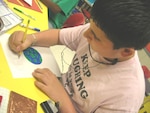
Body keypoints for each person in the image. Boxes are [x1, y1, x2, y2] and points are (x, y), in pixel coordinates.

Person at [8, 0, 150, 112]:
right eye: (90, 27)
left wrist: (62, 98)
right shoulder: (100, 30)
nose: (85, 35)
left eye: (95, 37)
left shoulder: (126, 96)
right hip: (50, 93)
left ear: (126, 52)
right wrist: (31, 38)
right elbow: (59, 36)